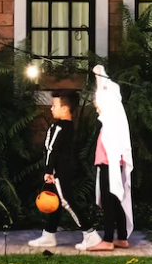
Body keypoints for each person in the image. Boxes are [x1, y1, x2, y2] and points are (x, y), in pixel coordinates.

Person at [28, 90, 99, 249]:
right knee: (57, 201)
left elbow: (51, 149)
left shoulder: (59, 127)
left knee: (66, 201)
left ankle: (90, 234)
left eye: (54, 105)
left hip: (59, 172)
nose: (51, 108)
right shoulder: (69, 127)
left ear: (65, 108)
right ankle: (48, 235)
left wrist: (48, 171)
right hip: (62, 169)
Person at [78, 65, 134, 251]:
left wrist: (99, 74)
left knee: (109, 203)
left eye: (97, 101)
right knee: (114, 200)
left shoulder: (110, 121)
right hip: (109, 165)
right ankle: (122, 238)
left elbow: (103, 90)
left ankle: (108, 239)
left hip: (108, 165)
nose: (95, 103)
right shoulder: (111, 121)